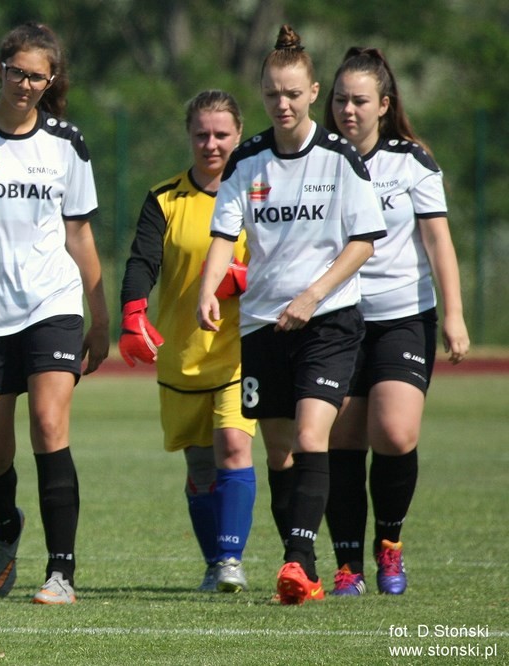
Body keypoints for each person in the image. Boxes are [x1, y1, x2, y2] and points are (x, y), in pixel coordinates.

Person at [197, 25, 387, 605]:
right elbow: (224, 234)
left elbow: (363, 241)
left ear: (313, 93)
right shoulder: (247, 160)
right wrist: (208, 289)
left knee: (309, 436)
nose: (282, 104)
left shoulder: (339, 158)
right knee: (278, 451)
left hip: (328, 321)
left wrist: (312, 296)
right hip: (262, 324)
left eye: (293, 93)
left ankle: (299, 562)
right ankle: (301, 568)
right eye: (272, 93)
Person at [0, 21, 109, 605]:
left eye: (38, 76)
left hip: (51, 304)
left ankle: (61, 573)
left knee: (48, 426)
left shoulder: (66, 143)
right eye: (17, 72)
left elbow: (79, 233)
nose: (26, 84)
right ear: (0, 70)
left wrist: (100, 317)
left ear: (50, 80)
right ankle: (7, 526)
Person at [322, 47, 470, 596]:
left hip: (403, 316)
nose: (348, 110)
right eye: (340, 100)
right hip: (336, 320)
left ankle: (389, 545)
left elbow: (438, 241)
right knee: (341, 440)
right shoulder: (318, 159)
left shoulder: (412, 161)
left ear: (384, 105)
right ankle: (347, 565)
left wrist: (454, 314)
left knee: (394, 432)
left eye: (360, 101)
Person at [120, 90, 257, 594]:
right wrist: (133, 313)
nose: (211, 144)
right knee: (200, 467)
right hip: (182, 355)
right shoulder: (165, 199)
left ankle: (231, 560)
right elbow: (142, 261)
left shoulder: (258, 194)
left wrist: (242, 278)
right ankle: (214, 563)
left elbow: (287, 262)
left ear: (238, 135)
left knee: (234, 445)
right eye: (202, 134)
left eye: (221, 134)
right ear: (189, 136)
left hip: (240, 352)